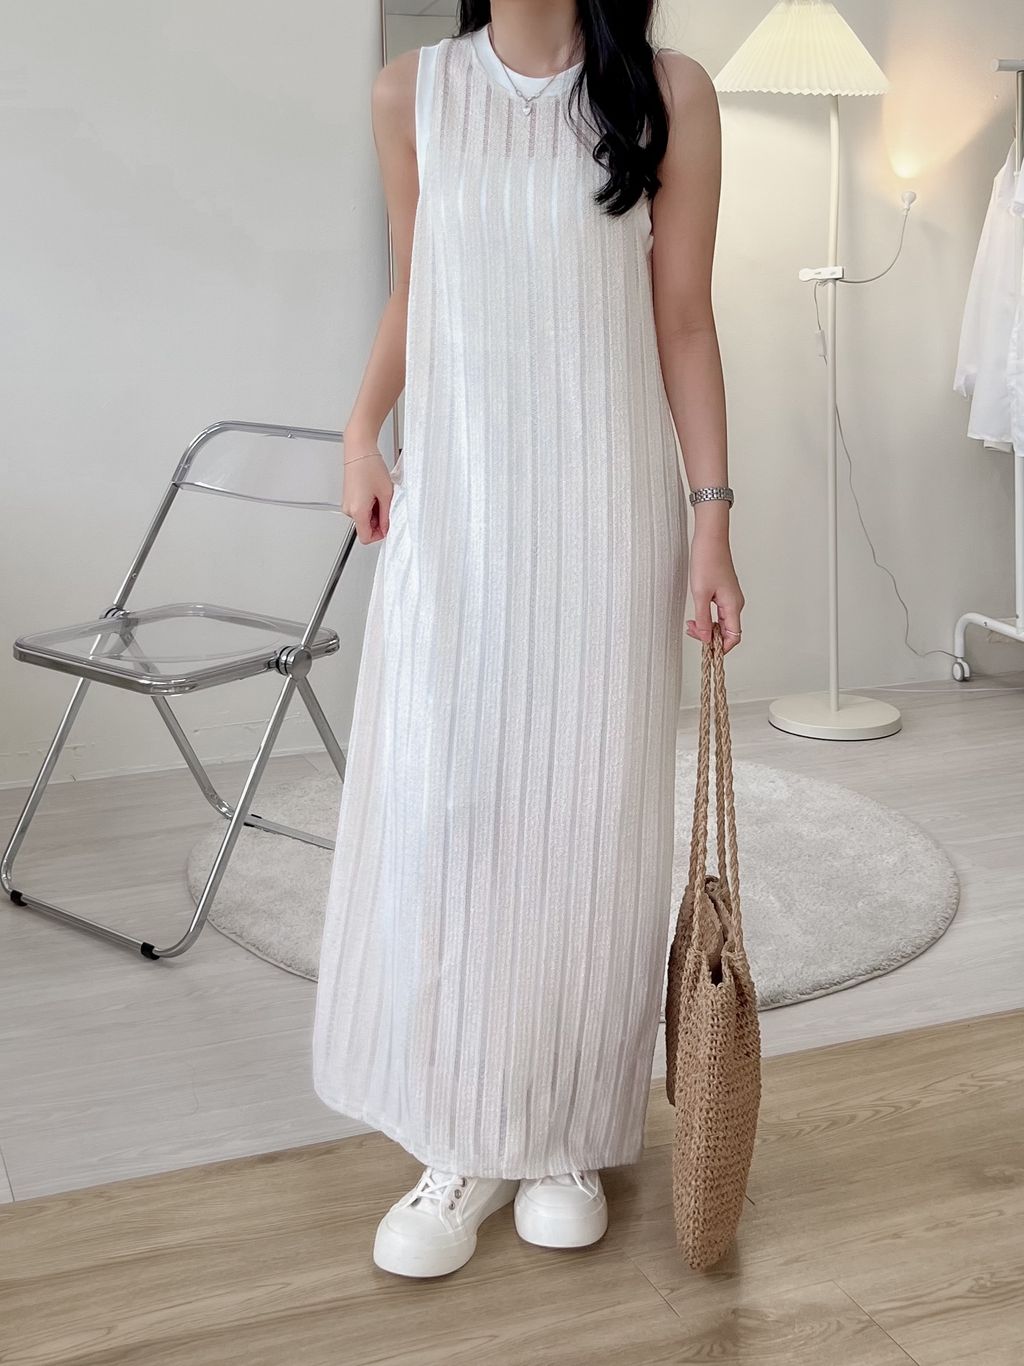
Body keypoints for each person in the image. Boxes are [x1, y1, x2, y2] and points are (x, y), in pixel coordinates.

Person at [312, 0, 743, 1280]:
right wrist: (360, 430)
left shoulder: (669, 92)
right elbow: (415, 289)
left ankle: (562, 1133)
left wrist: (711, 521)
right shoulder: (412, 93)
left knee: (586, 820)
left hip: (603, 521)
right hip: (460, 516)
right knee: (453, 816)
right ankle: (458, 1137)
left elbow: (683, 319)